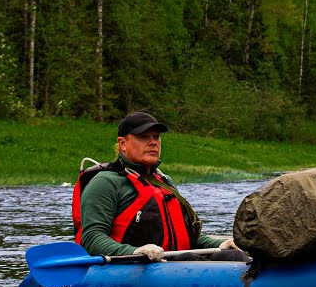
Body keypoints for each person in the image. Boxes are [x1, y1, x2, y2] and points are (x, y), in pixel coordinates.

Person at [73, 111, 246, 261]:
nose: (153, 142)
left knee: (234, 256)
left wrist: (222, 243)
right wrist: (135, 252)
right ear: (123, 144)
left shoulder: (165, 181)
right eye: (143, 137)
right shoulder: (105, 182)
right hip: (133, 267)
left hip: (176, 264)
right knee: (186, 259)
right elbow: (92, 239)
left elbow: (188, 236)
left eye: (156, 137)